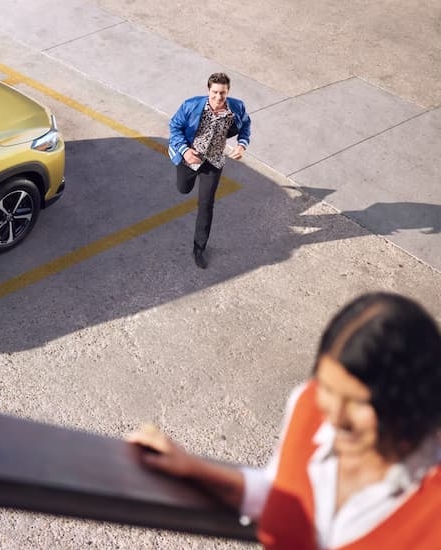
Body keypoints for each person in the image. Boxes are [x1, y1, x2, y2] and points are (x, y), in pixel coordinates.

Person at [128, 292, 441, 549]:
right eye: (328, 389)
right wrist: (196, 469)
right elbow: (281, 494)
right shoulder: (307, 406)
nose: (336, 416)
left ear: (411, 402)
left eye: (358, 403)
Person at [168, 72, 252, 269]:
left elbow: (246, 124)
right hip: (190, 158)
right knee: (183, 189)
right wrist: (185, 151)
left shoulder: (236, 108)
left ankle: (199, 248)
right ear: (208, 90)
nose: (218, 97)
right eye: (214, 92)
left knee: (206, 205)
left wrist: (242, 144)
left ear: (228, 91)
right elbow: (175, 127)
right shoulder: (191, 105)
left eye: (222, 93)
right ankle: (186, 175)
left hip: (213, 161)